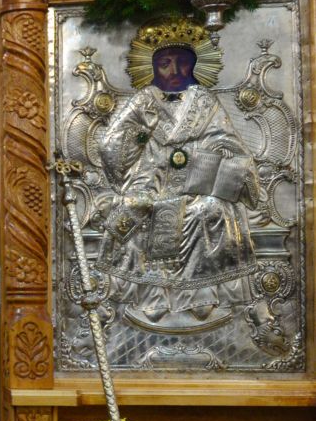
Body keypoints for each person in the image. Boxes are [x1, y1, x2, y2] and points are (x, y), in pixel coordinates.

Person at [95, 20, 265, 334]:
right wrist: (141, 135)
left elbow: (229, 143)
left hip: (197, 185)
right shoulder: (143, 101)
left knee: (208, 212)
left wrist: (211, 160)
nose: (174, 69)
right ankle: (152, 296)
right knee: (141, 210)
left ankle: (200, 295)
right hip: (150, 181)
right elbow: (111, 145)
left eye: (182, 62)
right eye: (165, 62)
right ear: (153, 67)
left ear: (194, 65)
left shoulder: (205, 101)